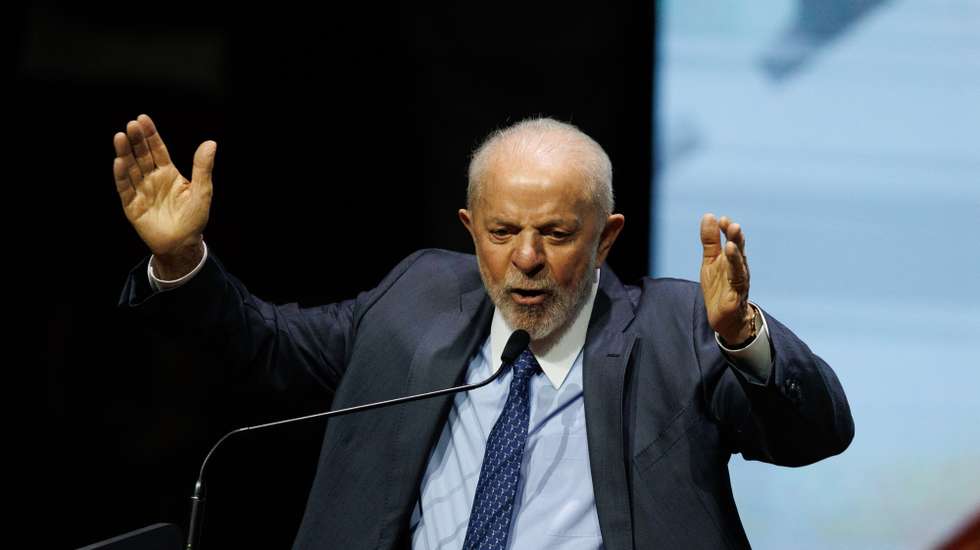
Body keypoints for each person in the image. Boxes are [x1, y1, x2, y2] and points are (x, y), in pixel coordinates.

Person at [113, 114, 854, 550]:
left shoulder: (675, 329)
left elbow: (815, 432)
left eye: (557, 235)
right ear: (471, 230)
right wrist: (181, 259)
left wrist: (742, 336)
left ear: (605, 239)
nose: (526, 260)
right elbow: (264, 350)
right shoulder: (418, 299)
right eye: (502, 232)